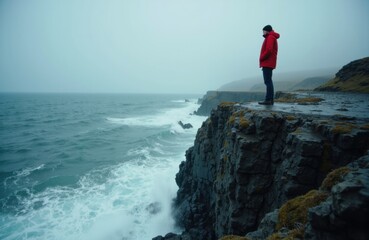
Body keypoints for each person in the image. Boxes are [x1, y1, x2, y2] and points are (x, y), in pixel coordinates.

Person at [258, 25, 280, 105]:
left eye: (263, 31)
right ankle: (270, 100)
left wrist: (261, 58)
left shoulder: (270, 37)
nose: (262, 32)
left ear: (267, 31)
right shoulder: (271, 37)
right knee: (268, 81)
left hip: (267, 62)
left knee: (268, 81)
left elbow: (269, 50)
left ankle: (268, 99)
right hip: (269, 62)